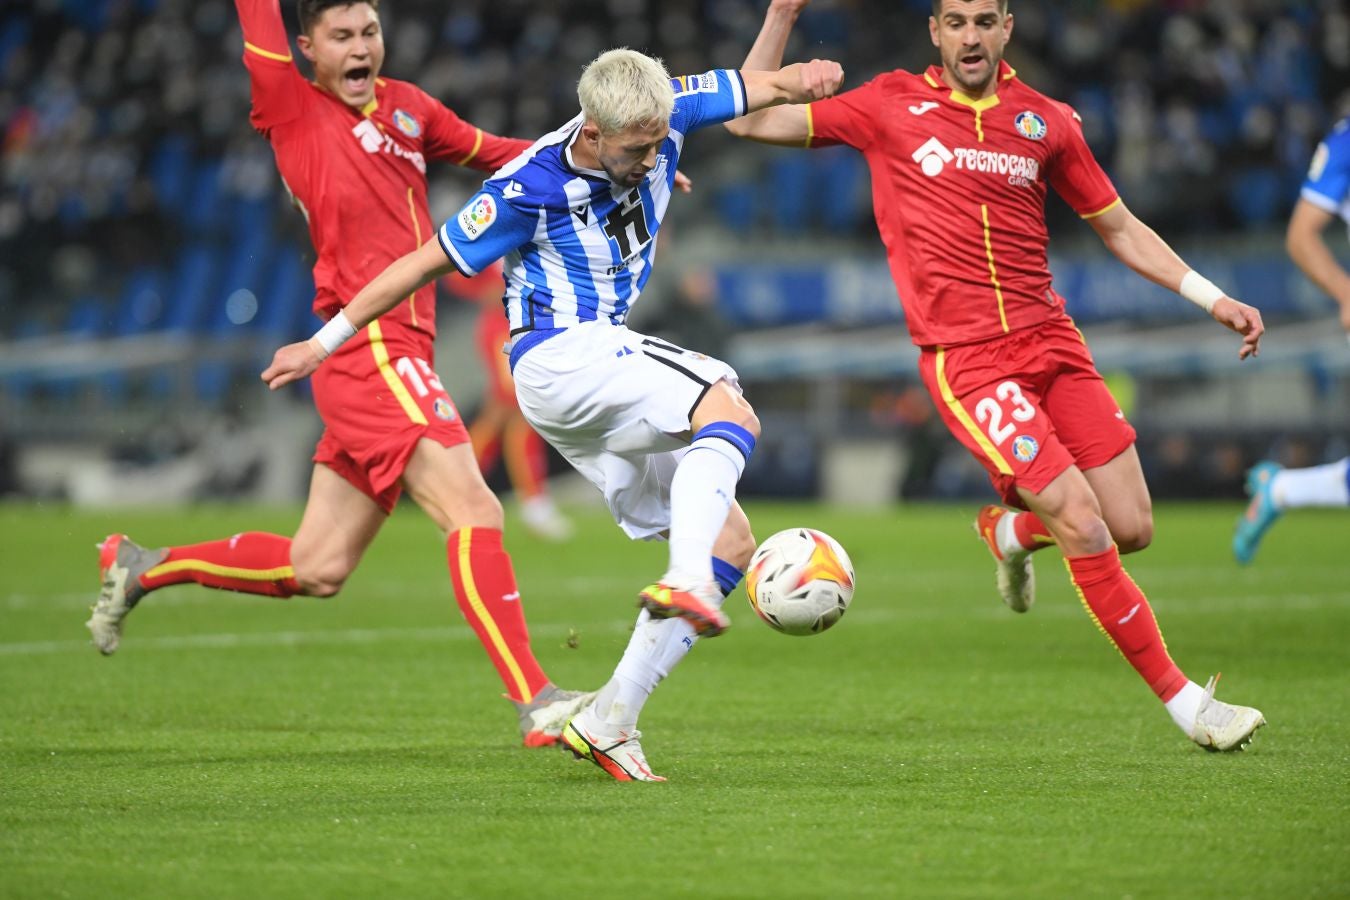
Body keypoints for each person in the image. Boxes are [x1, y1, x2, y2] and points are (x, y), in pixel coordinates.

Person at [261, 48, 846, 780]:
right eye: (639, 148)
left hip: (597, 365)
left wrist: (799, 73)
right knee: (728, 407)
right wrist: (323, 342)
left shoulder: (665, 111)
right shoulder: (527, 187)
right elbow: (418, 265)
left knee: (731, 536)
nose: (654, 155)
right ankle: (688, 579)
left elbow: (757, 86)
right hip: (560, 356)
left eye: (661, 140)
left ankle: (610, 721)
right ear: (594, 134)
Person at [728, 0, 1267, 751]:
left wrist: (1212, 298)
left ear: (1007, 29)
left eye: (985, 20)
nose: (971, 36)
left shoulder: (1047, 121)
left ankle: (1011, 531)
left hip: (1054, 343)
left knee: (1131, 526)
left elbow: (1118, 226)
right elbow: (746, 120)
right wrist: (783, 13)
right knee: (1080, 520)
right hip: (970, 361)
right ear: (935, 33)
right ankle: (1188, 705)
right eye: (956, 22)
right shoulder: (888, 104)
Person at [86, 0, 593, 748]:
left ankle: (143, 567)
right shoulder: (290, 104)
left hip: (398, 351)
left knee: (316, 566)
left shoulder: (410, 107)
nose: (360, 50)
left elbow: (502, 154)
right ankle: (537, 698)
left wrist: (608, 168)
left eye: (370, 33)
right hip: (368, 345)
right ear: (307, 49)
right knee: (476, 512)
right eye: (341, 37)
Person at [1232, 118, 1350, 563]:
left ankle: (1280, 490)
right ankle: (1280, 490)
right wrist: (1345, 293)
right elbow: (1302, 235)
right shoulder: (1346, 140)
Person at [442, 265, 574, 542]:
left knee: (508, 414)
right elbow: (453, 270)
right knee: (512, 408)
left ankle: (460, 496)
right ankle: (530, 503)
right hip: (502, 326)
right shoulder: (492, 226)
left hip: (529, 323)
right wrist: (482, 292)